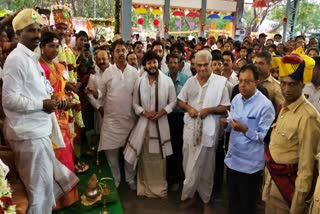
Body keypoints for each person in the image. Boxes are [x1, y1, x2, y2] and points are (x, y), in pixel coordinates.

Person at [2, 9, 78, 213]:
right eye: (30, 30)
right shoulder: (17, 59)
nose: (36, 35)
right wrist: (41, 104)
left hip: (37, 132)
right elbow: (8, 100)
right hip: (29, 136)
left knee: (45, 190)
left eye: (37, 30)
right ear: (18, 34)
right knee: (40, 193)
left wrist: (49, 98)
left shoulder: (31, 58)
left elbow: (35, 90)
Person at [262, 54, 320, 214]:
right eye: (283, 83)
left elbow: (306, 169)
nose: (286, 89)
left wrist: (297, 206)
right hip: (273, 183)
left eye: (292, 84)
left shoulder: (308, 116)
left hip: (288, 190)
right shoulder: (283, 107)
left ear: (302, 85)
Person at [178, 50, 230, 213]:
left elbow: (226, 107)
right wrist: (189, 108)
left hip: (208, 132)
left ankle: (206, 199)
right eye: (198, 65)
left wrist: (210, 110)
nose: (201, 68)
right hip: (190, 130)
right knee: (188, 164)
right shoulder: (190, 82)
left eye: (205, 65)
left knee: (207, 168)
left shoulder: (220, 82)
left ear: (211, 63)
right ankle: (190, 196)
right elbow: (180, 101)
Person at [221, 64, 275, 214]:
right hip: (233, 160)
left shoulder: (265, 106)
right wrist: (226, 125)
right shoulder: (237, 98)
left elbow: (263, 137)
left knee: (247, 205)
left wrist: (245, 130)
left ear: (257, 82)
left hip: (250, 165)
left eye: (247, 81)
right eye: (241, 81)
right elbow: (232, 124)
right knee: (233, 203)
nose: (242, 85)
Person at [86, 39, 139, 189]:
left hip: (130, 119)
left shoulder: (134, 72)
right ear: (113, 54)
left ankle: (130, 179)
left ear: (127, 51)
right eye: (118, 51)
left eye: (123, 50)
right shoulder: (108, 73)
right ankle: (115, 179)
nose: (121, 53)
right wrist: (95, 92)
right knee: (111, 153)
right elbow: (102, 94)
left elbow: (138, 94)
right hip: (112, 120)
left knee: (131, 153)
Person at [124, 51, 176, 198]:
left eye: (154, 62)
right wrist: (145, 113)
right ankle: (144, 187)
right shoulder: (139, 81)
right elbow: (134, 103)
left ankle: (159, 188)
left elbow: (173, 101)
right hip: (144, 125)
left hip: (161, 123)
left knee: (160, 160)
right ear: (144, 65)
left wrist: (161, 112)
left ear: (158, 63)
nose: (152, 65)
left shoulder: (167, 81)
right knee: (145, 158)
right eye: (149, 63)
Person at [39, 31, 79, 208]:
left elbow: (63, 89)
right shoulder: (39, 68)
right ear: (41, 47)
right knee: (53, 156)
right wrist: (63, 103)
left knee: (66, 153)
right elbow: (44, 95)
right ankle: (55, 202)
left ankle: (68, 198)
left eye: (57, 46)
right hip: (48, 117)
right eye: (50, 46)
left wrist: (69, 98)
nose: (54, 49)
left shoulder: (60, 67)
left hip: (64, 116)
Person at [165, 53, 189, 191]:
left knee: (179, 148)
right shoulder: (162, 78)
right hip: (166, 117)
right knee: (167, 148)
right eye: (170, 63)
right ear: (167, 64)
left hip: (180, 119)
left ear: (180, 64)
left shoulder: (186, 80)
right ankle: (168, 177)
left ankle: (178, 178)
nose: (173, 65)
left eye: (175, 63)